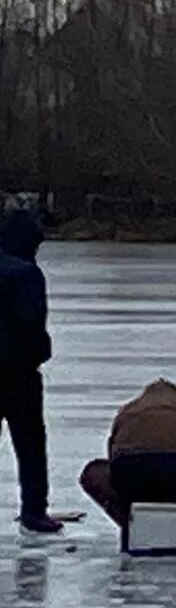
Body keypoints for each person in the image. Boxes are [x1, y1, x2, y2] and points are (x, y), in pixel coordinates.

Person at [79, 380, 176, 542]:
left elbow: (113, 454)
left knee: (93, 473)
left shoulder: (128, 411)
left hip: (133, 478)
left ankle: (130, 521)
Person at [0, 209, 60, 534]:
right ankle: (34, 511)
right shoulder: (26, 274)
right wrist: (41, 351)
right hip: (18, 373)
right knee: (30, 443)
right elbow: (30, 322)